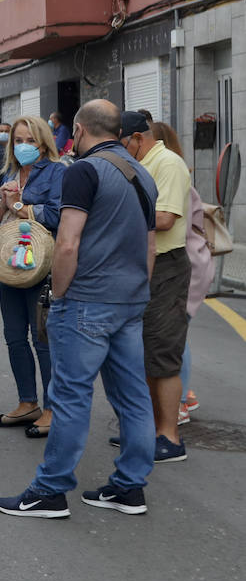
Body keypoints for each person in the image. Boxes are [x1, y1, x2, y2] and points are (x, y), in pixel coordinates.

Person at [0, 100, 158, 518]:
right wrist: (140, 288)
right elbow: (151, 243)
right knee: (133, 397)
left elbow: (67, 242)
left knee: (69, 397)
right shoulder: (142, 173)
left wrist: (62, 294)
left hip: (87, 299)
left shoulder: (84, 170)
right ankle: (129, 487)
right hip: (130, 299)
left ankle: (49, 491)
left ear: (80, 131)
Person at [0, 116, 65, 438]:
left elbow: (58, 214)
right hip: (11, 266)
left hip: (41, 266)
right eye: (17, 140)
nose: (23, 147)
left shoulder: (58, 172)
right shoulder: (9, 173)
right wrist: (3, 203)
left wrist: (18, 203)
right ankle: (27, 402)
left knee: (42, 339)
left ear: (43, 143)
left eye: (30, 140)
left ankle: (51, 408)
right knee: (14, 336)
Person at [119, 110, 191, 463]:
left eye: (122, 144)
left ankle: (170, 436)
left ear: (137, 138)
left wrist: (118, 213)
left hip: (167, 266)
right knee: (144, 353)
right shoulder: (143, 162)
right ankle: (146, 430)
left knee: (163, 353)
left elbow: (165, 218)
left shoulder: (169, 163)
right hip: (143, 264)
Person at [150, 122, 207, 423]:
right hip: (189, 259)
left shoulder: (171, 173)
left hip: (186, 261)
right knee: (174, 336)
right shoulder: (169, 171)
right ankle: (186, 396)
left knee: (172, 338)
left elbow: (166, 220)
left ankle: (180, 403)